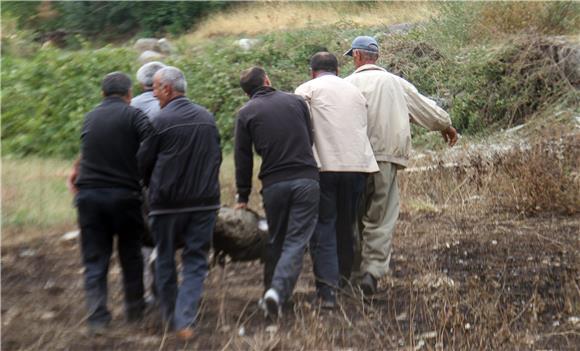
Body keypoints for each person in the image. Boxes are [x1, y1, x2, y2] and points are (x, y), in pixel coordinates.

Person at [344, 36, 458, 295]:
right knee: (381, 218)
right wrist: (446, 125)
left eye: (352, 57)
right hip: (386, 158)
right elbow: (427, 111)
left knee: (353, 217)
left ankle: (352, 273)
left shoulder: (346, 85)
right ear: (377, 57)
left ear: (358, 57)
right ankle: (371, 273)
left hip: (352, 160)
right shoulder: (394, 83)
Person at [137, 66, 221, 341]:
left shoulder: (159, 121)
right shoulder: (207, 118)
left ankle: (171, 316)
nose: (153, 93)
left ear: (167, 89)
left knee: (164, 257)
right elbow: (217, 158)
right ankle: (185, 318)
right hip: (204, 204)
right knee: (196, 260)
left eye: (157, 88)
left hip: (166, 204)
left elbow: (143, 164)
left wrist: (153, 188)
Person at [67, 72, 154, 335]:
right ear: (129, 95)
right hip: (124, 196)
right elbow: (152, 141)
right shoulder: (134, 115)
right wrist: (142, 173)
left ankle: (97, 319)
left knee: (95, 259)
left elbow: (85, 152)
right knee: (131, 255)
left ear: (103, 94)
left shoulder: (91, 116)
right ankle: (135, 311)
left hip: (89, 197)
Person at [294, 52, 378, 306]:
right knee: (346, 224)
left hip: (325, 167)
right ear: (338, 70)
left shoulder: (306, 89)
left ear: (312, 71)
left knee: (324, 226)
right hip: (357, 167)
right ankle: (344, 279)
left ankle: (328, 291)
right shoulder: (354, 91)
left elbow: (300, 127)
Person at [234, 67, 319, 318]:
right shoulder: (296, 102)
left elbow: (243, 158)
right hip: (305, 179)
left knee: (276, 241)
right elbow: (309, 137)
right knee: (295, 242)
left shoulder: (245, 113)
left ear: (247, 92)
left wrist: (242, 196)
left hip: (273, 184)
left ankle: (272, 296)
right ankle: (277, 293)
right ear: (268, 80)